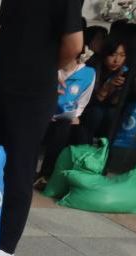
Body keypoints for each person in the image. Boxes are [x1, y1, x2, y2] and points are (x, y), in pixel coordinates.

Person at [0, 0, 82, 256]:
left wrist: (43, 68)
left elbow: (74, 45)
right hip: (0, 86)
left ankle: (5, 243)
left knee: (18, 165)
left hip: (32, 94)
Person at [36, 50, 96, 183]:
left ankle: (46, 175)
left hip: (64, 116)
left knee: (64, 128)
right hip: (41, 112)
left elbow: (83, 100)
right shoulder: (48, 67)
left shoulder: (88, 73)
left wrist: (75, 115)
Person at [76, 38, 130, 144]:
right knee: (96, 113)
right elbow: (87, 102)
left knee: (112, 114)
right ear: (105, 54)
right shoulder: (92, 69)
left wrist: (119, 91)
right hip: (88, 109)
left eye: (122, 55)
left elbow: (118, 104)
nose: (117, 60)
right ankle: (84, 146)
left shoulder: (124, 72)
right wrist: (106, 88)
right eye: (113, 55)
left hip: (107, 114)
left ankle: (103, 147)